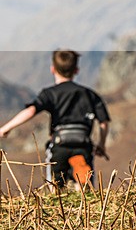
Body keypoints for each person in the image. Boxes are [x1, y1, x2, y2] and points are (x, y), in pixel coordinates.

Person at [0, 50, 110, 189]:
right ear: (76, 70)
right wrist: (101, 144)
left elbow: (31, 111)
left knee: (55, 187)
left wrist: (6, 128)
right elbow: (103, 123)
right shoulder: (90, 94)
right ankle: (81, 183)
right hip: (83, 144)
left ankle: (57, 193)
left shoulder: (50, 93)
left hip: (60, 145)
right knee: (85, 191)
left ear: (53, 69)